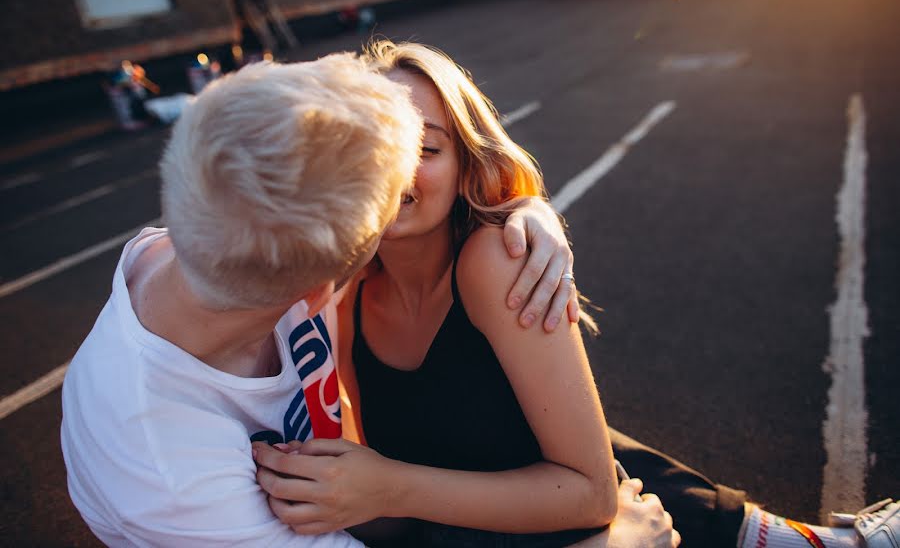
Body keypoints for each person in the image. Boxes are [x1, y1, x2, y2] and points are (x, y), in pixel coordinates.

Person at [252, 42, 899, 548]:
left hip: (642, 528)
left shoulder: (493, 261)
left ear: (463, 164)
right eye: (373, 145)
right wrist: (320, 492)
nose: (396, 167)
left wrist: (387, 487)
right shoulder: (343, 303)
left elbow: (591, 496)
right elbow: (390, 509)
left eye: (425, 147)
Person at [59, 52, 677, 548]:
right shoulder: (167, 476)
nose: (403, 177)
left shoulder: (243, 237)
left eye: (427, 150)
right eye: (388, 174)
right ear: (328, 280)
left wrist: (526, 208)